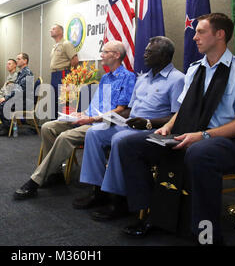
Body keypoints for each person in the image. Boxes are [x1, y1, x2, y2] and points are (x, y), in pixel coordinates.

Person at [117, 13, 235, 245]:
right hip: (187, 133)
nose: (194, 38)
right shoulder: (194, 70)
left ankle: (205, 233)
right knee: (128, 144)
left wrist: (203, 136)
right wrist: (167, 128)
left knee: (199, 152)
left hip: (226, 142)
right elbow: (181, 111)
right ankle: (150, 213)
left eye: (201, 32)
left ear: (220, 35)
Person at [73, 36, 185, 222]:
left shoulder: (177, 79)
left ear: (164, 55)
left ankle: (119, 200)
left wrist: (148, 122)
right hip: (130, 125)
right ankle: (97, 191)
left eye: (150, 52)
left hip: (153, 130)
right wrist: (108, 118)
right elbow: (129, 111)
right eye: (145, 51)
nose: (144, 54)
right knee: (94, 132)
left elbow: (177, 116)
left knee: (120, 140)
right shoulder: (142, 79)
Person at [13, 40, 136, 200]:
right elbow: (97, 104)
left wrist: (91, 118)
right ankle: (56, 174)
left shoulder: (128, 77)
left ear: (117, 55)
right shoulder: (106, 78)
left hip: (103, 124)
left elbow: (122, 109)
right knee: (48, 127)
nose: (101, 55)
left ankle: (35, 181)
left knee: (65, 137)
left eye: (105, 52)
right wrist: (81, 113)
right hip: (90, 117)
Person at [0, 53, 34, 136]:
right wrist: (6, 97)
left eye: (19, 59)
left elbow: (19, 90)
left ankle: (8, 128)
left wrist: (6, 98)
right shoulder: (21, 73)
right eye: (17, 59)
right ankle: (6, 126)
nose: (17, 61)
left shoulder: (27, 73)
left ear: (25, 61)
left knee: (3, 103)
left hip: (25, 102)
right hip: (20, 99)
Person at [49, 24, 79, 119]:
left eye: (53, 28)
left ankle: (63, 123)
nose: (51, 30)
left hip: (63, 74)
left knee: (63, 100)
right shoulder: (55, 46)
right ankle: (53, 122)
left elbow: (75, 60)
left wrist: (69, 74)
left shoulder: (66, 44)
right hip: (54, 74)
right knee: (54, 99)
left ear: (60, 31)